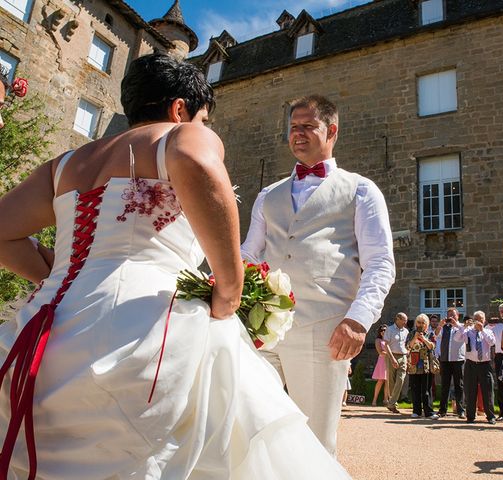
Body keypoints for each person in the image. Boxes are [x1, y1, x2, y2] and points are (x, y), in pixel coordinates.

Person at [0, 54, 351, 479]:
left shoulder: (64, 164)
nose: (203, 129)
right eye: (204, 119)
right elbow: (196, 162)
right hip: (140, 323)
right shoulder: (180, 135)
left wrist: (66, 277)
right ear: (180, 108)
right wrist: (229, 287)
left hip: (43, 331)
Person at [241, 93, 395, 454]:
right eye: (293, 127)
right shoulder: (267, 194)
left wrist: (358, 320)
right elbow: (250, 253)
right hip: (262, 330)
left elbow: (380, 262)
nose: (298, 134)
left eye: (308, 126)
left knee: (314, 445)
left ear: (332, 131)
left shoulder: (361, 190)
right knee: (247, 429)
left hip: (324, 331)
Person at [454, 310, 496, 424]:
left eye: (481, 319)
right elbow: (457, 338)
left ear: (484, 320)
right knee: (470, 390)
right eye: (476, 319)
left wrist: (482, 330)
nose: (479, 321)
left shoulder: (488, 331)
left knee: (487, 391)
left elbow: (492, 342)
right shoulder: (468, 331)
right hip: (471, 364)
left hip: (484, 364)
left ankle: (491, 416)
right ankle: (471, 416)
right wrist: (463, 327)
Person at [435, 307, 466, 419]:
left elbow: (465, 333)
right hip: (445, 359)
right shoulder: (444, 327)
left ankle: (460, 410)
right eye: (449, 315)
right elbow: (436, 335)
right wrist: (440, 325)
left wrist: (456, 325)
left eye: (453, 315)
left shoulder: (462, 326)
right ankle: (442, 410)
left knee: (459, 385)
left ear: (458, 316)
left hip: (458, 359)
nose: (451, 317)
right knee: (445, 385)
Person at [406, 314, 439, 419]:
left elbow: (432, 346)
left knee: (426, 389)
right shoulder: (411, 333)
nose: (420, 325)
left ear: (426, 324)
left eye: (423, 323)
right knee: (415, 388)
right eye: (419, 322)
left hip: (426, 364)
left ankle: (428, 411)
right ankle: (416, 411)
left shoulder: (430, 334)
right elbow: (407, 347)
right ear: (416, 323)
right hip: (414, 364)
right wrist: (415, 337)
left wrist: (423, 338)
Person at [486, 304, 503, 421]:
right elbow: (485, 332)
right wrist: (489, 323)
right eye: (501, 312)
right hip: (500, 356)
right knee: (501, 385)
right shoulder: (497, 326)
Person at [383, 312, 409, 413]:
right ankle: (393, 403)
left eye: (406, 321)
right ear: (397, 319)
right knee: (391, 381)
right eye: (403, 320)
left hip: (403, 356)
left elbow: (406, 344)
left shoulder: (406, 331)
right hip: (391, 356)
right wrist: (392, 358)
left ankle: (391, 402)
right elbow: (386, 344)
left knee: (400, 379)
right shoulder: (390, 329)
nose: (405, 323)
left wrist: (407, 352)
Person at [371, 324, 389, 406]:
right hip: (382, 361)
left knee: (388, 381)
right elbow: (380, 351)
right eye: (381, 330)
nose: (383, 331)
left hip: (389, 361)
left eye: (385, 330)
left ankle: (386, 399)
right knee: (380, 380)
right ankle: (374, 399)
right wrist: (390, 354)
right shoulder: (378, 340)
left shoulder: (389, 339)